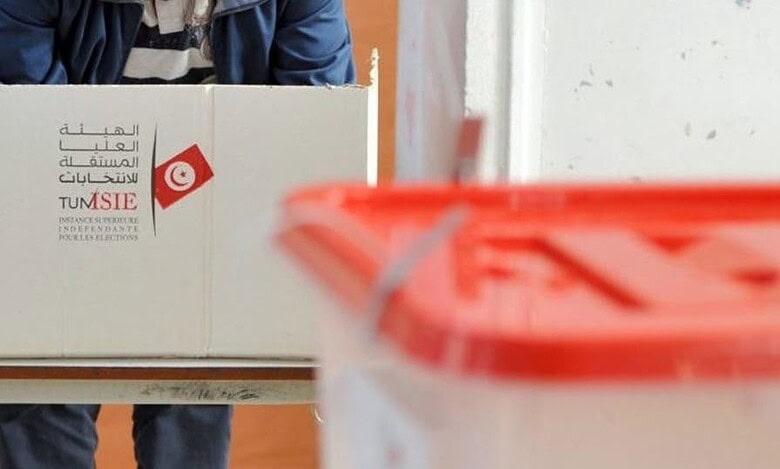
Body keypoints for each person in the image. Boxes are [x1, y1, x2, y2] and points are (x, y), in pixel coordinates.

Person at [0, 0, 354, 468]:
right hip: (62, 230)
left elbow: (310, 138)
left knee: (191, 413)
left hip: (207, 236)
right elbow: (28, 140)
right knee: (40, 402)